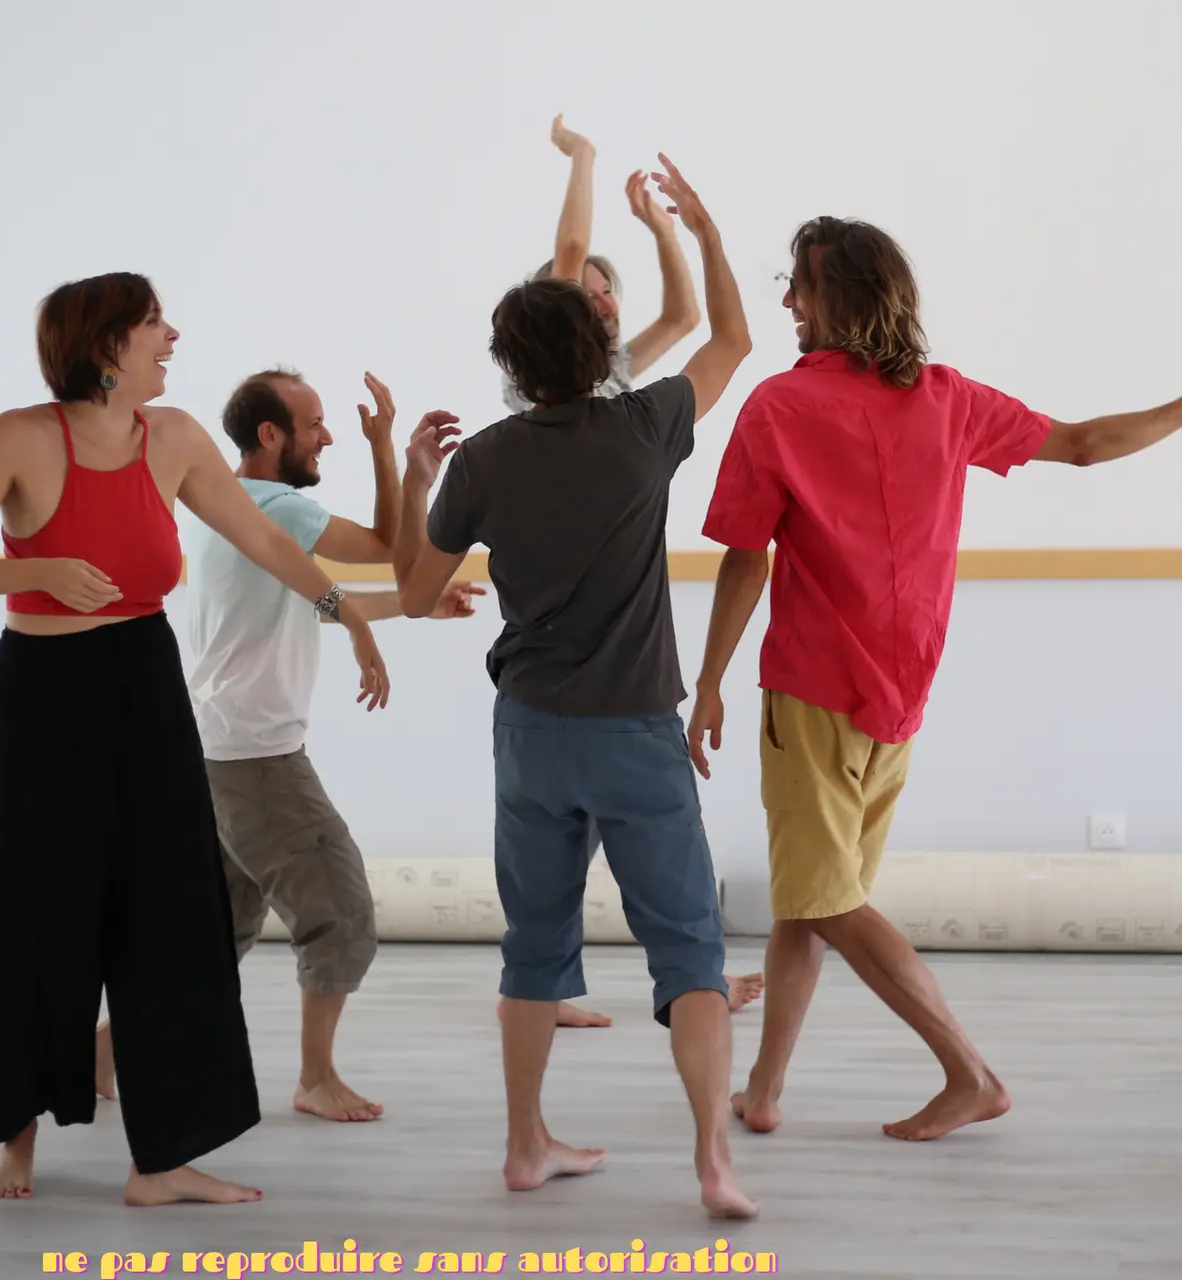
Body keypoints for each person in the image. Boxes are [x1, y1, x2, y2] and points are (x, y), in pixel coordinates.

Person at [688, 215, 1182, 1142]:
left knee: (827, 898)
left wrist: (707, 681)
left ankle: (969, 1071)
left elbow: (747, 558)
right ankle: (766, 1090)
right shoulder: (944, 399)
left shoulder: (779, 408)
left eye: (800, 285)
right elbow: (1084, 444)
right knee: (808, 897)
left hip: (816, 694)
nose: (787, 300)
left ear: (843, 298)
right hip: (899, 703)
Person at [0, 272, 391, 1206]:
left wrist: (346, 611)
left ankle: (160, 1160)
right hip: (42, 697)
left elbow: (260, 537)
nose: (173, 335)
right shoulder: (20, 438)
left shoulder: (172, 439)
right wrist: (41, 566)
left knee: (172, 918)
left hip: (146, 686)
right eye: (153, 325)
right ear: (104, 346)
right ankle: (19, 1138)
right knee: (33, 912)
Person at [393, 156, 759, 1218]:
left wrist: (419, 473)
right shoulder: (644, 430)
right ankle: (712, 1158)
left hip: (533, 736)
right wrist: (705, 229)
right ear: (601, 348)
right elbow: (731, 339)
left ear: (510, 364)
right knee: (688, 949)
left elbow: (419, 596)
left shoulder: (487, 459)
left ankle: (525, 1144)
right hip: (635, 731)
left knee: (534, 944)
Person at [177, 367, 482, 1123]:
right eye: (315, 425)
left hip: (218, 749)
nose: (328, 436)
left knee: (221, 928)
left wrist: (407, 613)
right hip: (255, 757)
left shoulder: (240, 511)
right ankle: (316, 1078)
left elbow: (307, 602)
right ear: (269, 435)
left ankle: (106, 1054)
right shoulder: (273, 503)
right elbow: (391, 550)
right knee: (341, 910)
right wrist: (399, 463)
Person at [514, 114, 761, 1022]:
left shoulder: (622, 381)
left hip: (605, 651)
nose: (598, 296)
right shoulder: (542, 379)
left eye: (606, 289)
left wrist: (664, 235)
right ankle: (564, 981)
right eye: (582, 290)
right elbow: (573, 247)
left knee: (583, 835)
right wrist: (581, 160)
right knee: (575, 833)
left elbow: (694, 321)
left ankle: (632, 977)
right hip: (571, 649)